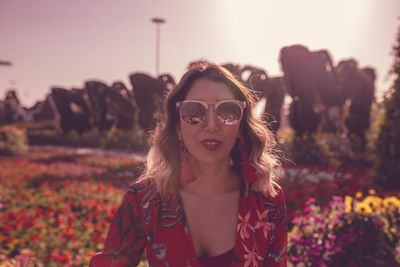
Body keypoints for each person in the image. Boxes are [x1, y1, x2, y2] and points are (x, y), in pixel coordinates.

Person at [89, 61, 288, 267]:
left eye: (227, 111)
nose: (211, 125)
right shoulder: (144, 199)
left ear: (240, 127)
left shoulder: (268, 200)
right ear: (177, 127)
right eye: (194, 112)